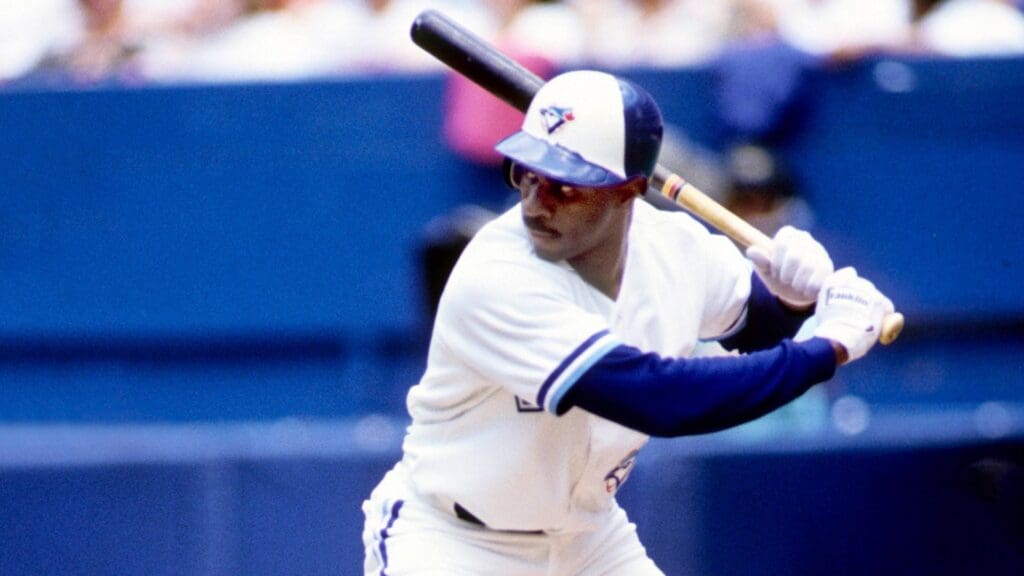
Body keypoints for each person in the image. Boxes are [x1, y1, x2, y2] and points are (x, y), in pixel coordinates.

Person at [362, 69, 893, 575]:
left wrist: (794, 300)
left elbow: (758, 326)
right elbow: (661, 398)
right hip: (454, 543)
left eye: (565, 186)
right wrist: (827, 345)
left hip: (587, 541)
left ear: (629, 190)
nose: (535, 204)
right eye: (527, 174)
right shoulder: (497, 274)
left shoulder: (677, 250)